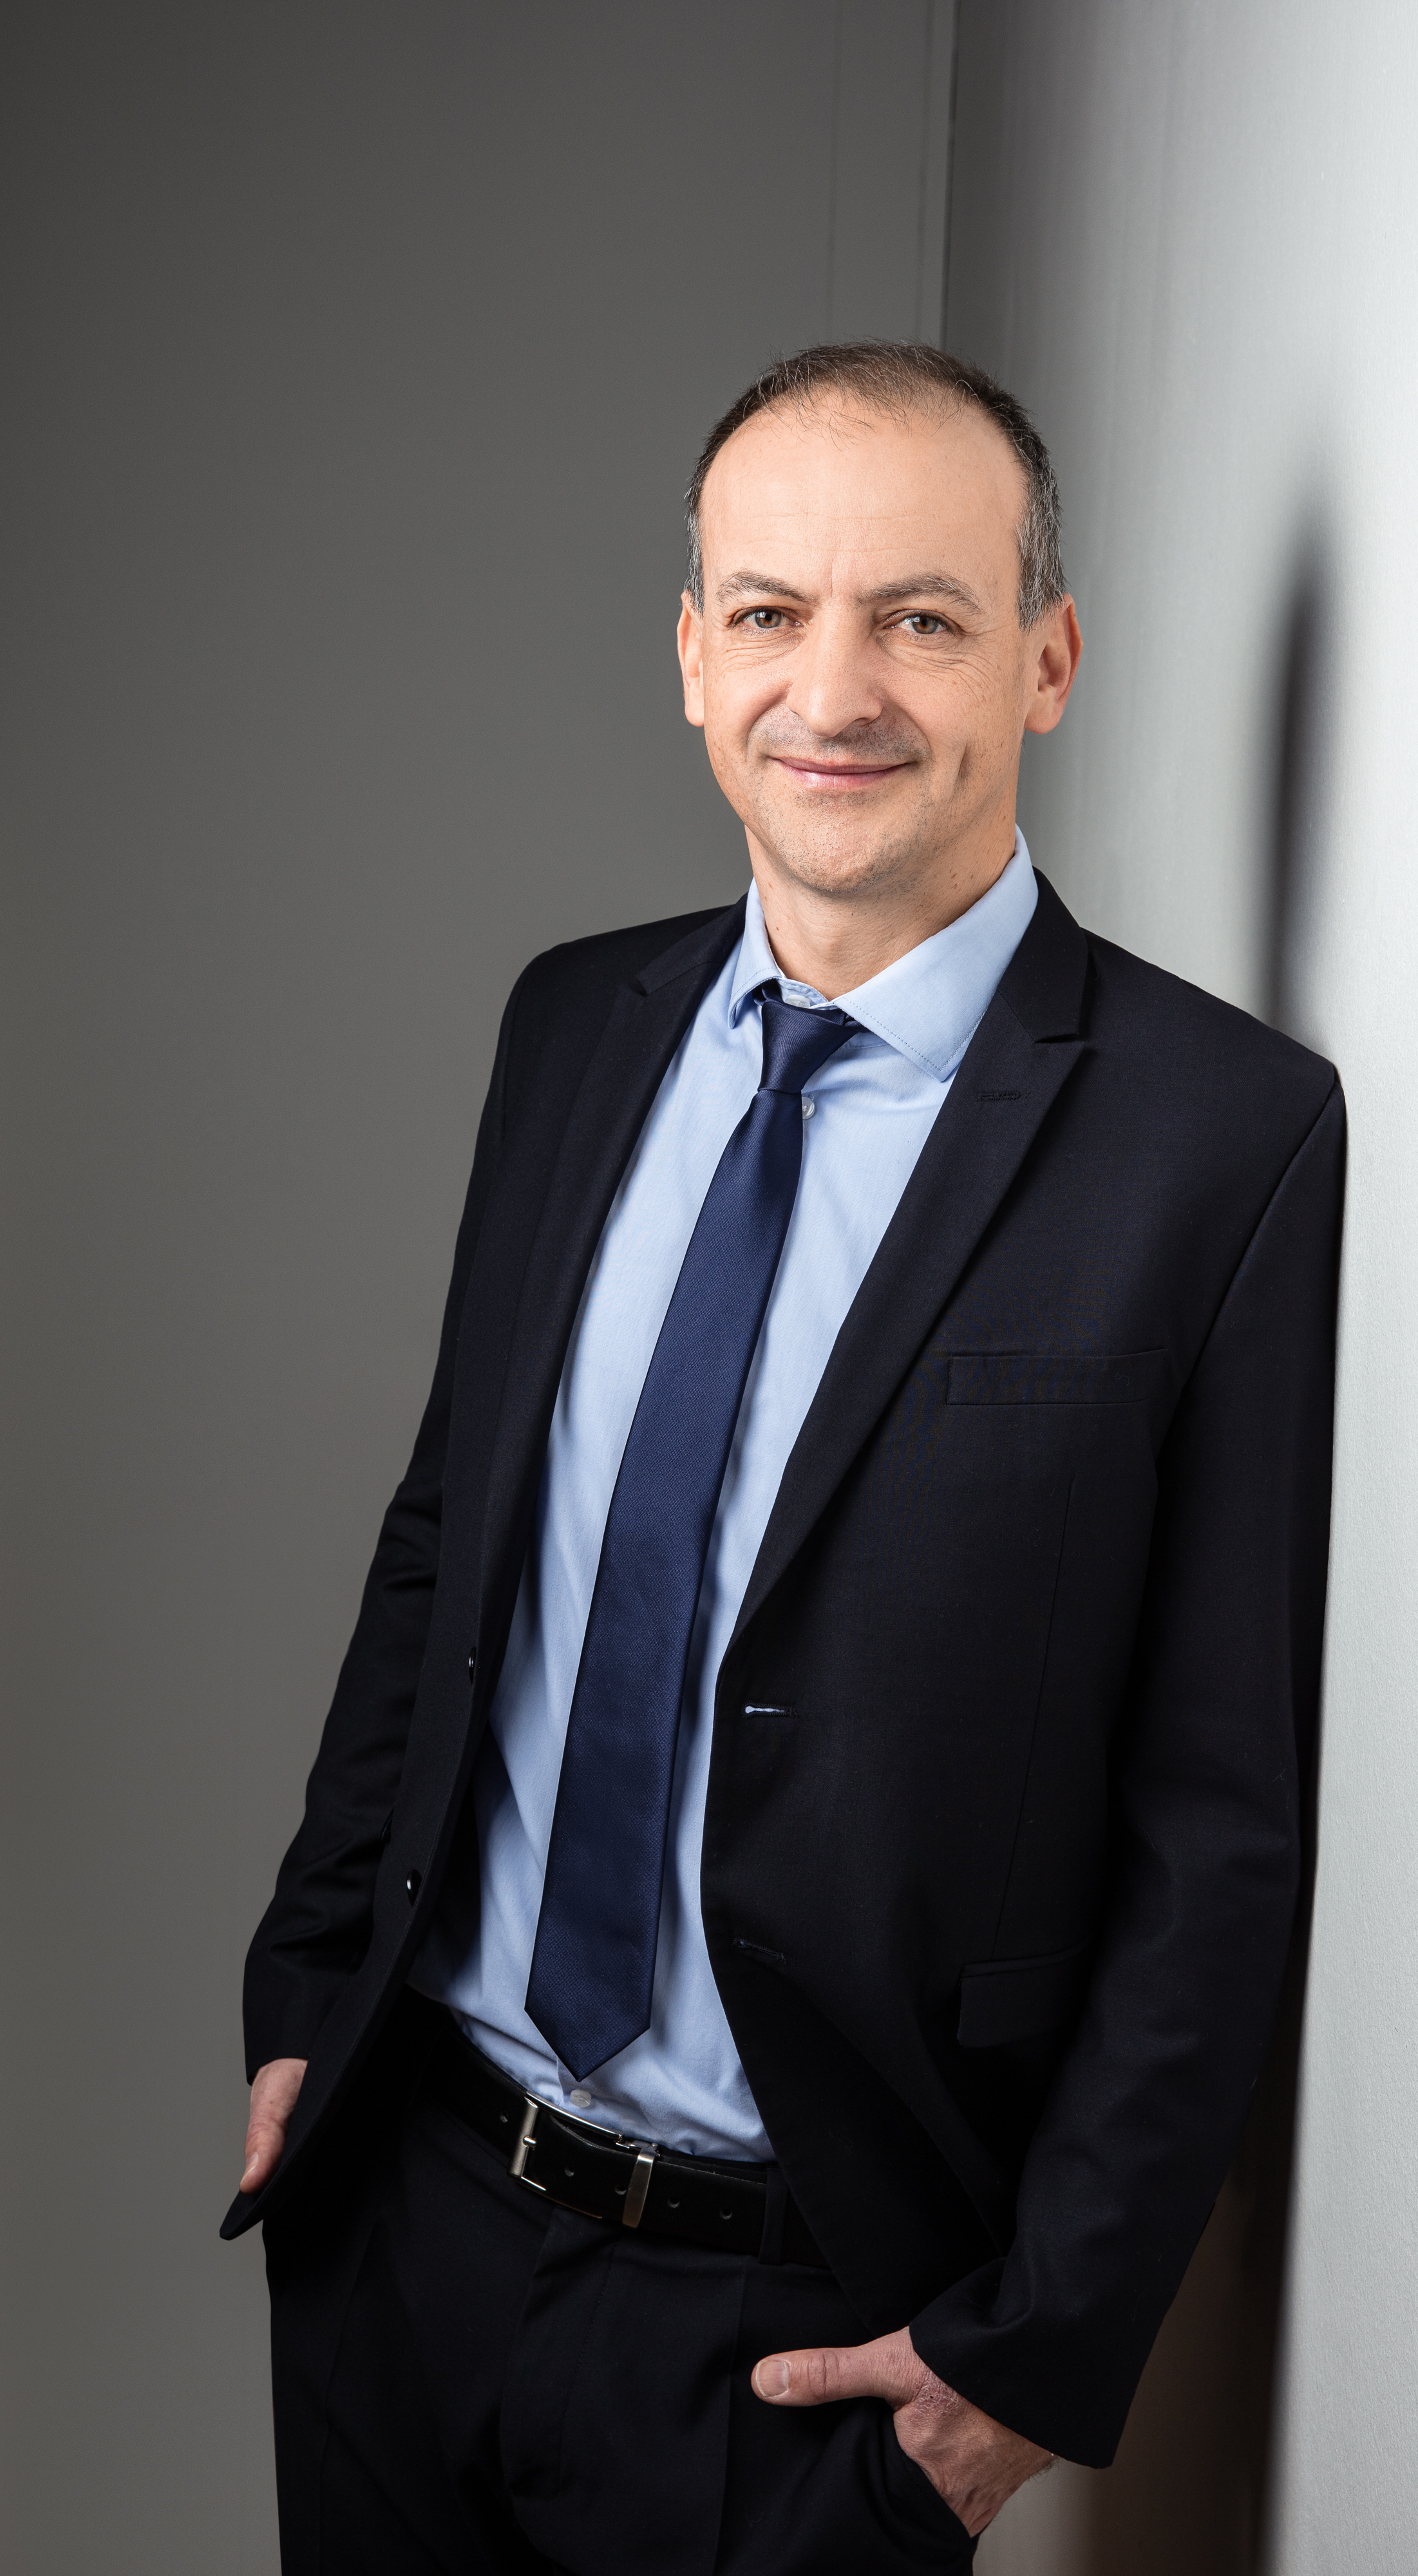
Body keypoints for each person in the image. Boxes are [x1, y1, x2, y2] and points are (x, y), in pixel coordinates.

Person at [228, 340, 1344, 2574]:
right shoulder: (575, 1021)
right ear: (689, 656)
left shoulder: (1217, 1138)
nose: (830, 692)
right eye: (767, 613)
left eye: (917, 618)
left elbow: (1217, 1819)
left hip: (804, 2342)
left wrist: (1041, 2344)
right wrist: (304, 1991)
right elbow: (451, 1541)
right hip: (408, 2225)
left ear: (1044, 660)